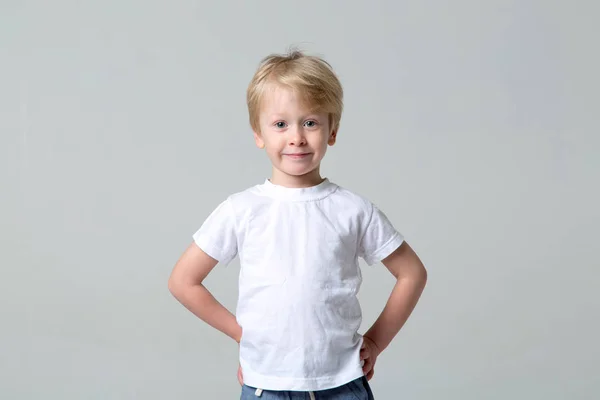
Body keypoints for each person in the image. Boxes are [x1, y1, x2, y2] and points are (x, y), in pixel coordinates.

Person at [168, 49, 428, 399]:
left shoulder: (353, 210)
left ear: (332, 131)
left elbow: (412, 273)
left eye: (310, 122)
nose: (296, 137)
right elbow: (183, 281)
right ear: (258, 134)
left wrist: (377, 340)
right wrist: (240, 333)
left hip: (342, 384)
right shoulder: (241, 209)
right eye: (280, 124)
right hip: (267, 386)